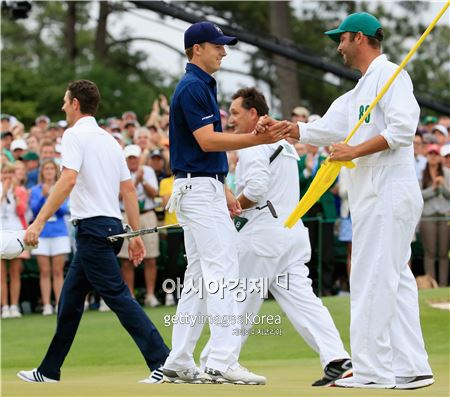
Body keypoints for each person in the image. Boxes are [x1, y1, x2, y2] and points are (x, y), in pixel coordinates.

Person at [257, 13, 433, 390]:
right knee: (396, 279)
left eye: (341, 39)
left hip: (388, 191)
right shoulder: (361, 89)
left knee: (371, 279)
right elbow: (327, 127)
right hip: (378, 193)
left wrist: (354, 149)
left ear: (359, 37)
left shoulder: (391, 76)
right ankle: (412, 366)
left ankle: (372, 372)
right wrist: (287, 129)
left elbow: (402, 130)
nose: (338, 46)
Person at [17, 79, 169, 384]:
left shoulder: (74, 135)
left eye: (65, 101)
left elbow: (68, 180)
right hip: (110, 228)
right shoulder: (110, 140)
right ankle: (49, 370)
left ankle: (164, 361)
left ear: (75, 104)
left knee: (117, 297)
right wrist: (134, 234)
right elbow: (127, 189)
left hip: (93, 230)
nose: (62, 106)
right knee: (70, 301)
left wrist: (38, 222)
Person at [162, 21, 289, 385]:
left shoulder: (198, 85)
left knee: (200, 277)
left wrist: (223, 187)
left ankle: (180, 358)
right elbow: (206, 141)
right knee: (224, 273)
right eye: (217, 45)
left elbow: (201, 149)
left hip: (201, 187)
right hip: (198, 191)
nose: (224, 51)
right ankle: (221, 359)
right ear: (196, 48)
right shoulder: (193, 87)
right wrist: (254, 138)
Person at [200, 87, 352, 386]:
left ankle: (214, 364)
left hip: (263, 236)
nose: (230, 120)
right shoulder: (284, 144)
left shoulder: (254, 144)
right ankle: (337, 359)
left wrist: (231, 207)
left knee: (238, 299)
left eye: (235, 113)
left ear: (253, 113)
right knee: (303, 301)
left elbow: (255, 190)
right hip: (291, 234)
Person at [118, 144, 161, 308]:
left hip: (147, 214)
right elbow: (120, 197)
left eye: (135, 157)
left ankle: (150, 295)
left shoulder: (148, 171)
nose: (133, 161)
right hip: (126, 215)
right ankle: (130, 295)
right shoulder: (120, 171)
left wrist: (142, 180)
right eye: (130, 158)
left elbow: (154, 194)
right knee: (126, 260)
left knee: (151, 257)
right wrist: (135, 181)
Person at [29, 160, 71, 315]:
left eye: (51, 169)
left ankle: (60, 302)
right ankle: (47, 304)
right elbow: (34, 210)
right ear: (42, 172)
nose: (48, 171)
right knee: (44, 271)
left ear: (55, 171)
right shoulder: (36, 190)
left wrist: (53, 197)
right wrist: (43, 196)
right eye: (46, 169)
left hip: (59, 233)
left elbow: (65, 209)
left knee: (58, 271)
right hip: (42, 235)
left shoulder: (62, 187)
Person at [420, 144, 450, 287]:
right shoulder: (421, 173)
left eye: (435, 154)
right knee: (430, 253)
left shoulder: (447, 173)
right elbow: (418, 195)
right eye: (430, 154)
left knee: (444, 253)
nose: (433, 156)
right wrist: (434, 188)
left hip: (444, 217)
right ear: (427, 156)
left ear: (439, 157)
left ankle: (443, 285)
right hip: (428, 217)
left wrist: (442, 187)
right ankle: (430, 285)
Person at [1, 162, 27, 319]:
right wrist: (3, 192)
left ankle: (14, 305)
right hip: (0, 232)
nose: (7, 177)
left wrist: (16, 196)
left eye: (10, 174)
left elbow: (22, 211)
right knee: (1, 274)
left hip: (15, 232)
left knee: (15, 272)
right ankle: (4, 306)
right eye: (4, 173)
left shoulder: (20, 190)